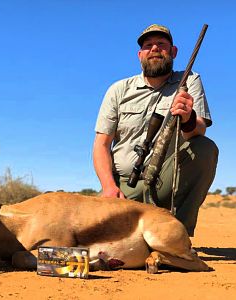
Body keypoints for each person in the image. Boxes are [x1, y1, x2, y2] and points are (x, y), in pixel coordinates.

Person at [93, 24, 218, 236]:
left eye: (161, 44)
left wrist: (187, 118)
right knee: (94, 233)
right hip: (125, 185)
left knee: (205, 148)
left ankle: (177, 236)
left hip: (165, 183)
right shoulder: (118, 89)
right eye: (148, 45)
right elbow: (101, 144)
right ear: (140, 55)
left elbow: (198, 131)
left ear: (173, 52)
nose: (154, 49)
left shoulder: (189, 80)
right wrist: (109, 187)